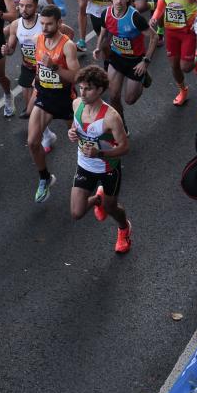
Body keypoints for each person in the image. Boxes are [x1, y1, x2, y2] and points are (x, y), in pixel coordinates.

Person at [66, 65, 133, 254]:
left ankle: (124, 227)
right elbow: (76, 126)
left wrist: (100, 154)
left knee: (111, 208)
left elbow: (125, 148)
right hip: (85, 164)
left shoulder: (111, 117)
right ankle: (97, 199)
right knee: (76, 212)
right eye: (81, 88)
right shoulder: (77, 104)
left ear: (100, 90)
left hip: (108, 167)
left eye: (88, 89)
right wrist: (72, 133)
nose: (83, 92)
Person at [27, 5, 79, 202]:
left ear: (59, 23)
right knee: (32, 142)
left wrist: (55, 67)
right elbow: (39, 67)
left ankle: (96, 169)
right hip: (46, 97)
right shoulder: (37, 40)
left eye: (49, 24)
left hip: (66, 99)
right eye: (42, 24)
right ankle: (45, 178)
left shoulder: (67, 46)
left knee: (82, 141)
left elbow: (76, 76)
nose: (45, 28)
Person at [100, 0, 156, 107]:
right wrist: (99, 47)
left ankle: (143, 76)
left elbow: (154, 37)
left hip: (135, 61)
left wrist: (145, 61)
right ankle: (120, 124)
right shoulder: (106, 13)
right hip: (117, 57)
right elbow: (105, 32)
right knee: (113, 97)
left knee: (129, 100)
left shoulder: (135, 17)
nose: (119, 1)